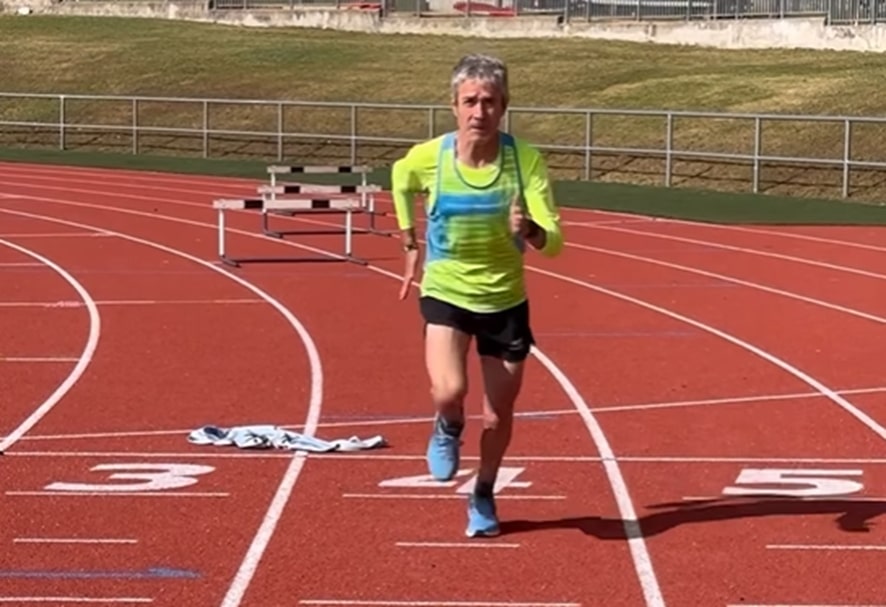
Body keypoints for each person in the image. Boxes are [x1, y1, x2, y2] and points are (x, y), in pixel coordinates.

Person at [390, 53, 564, 538]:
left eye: (489, 102)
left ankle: (483, 490)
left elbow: (556, 240)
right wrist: (408, 242)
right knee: (449, 391)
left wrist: (528, 228)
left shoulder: (524, 159)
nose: (479, 112)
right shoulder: (430, 157)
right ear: (453, 106)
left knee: (497, 413)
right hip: (447, 290)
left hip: (505, 301)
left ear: (504, 106)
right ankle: (447, 426)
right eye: (470, 101)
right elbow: (400, 179)